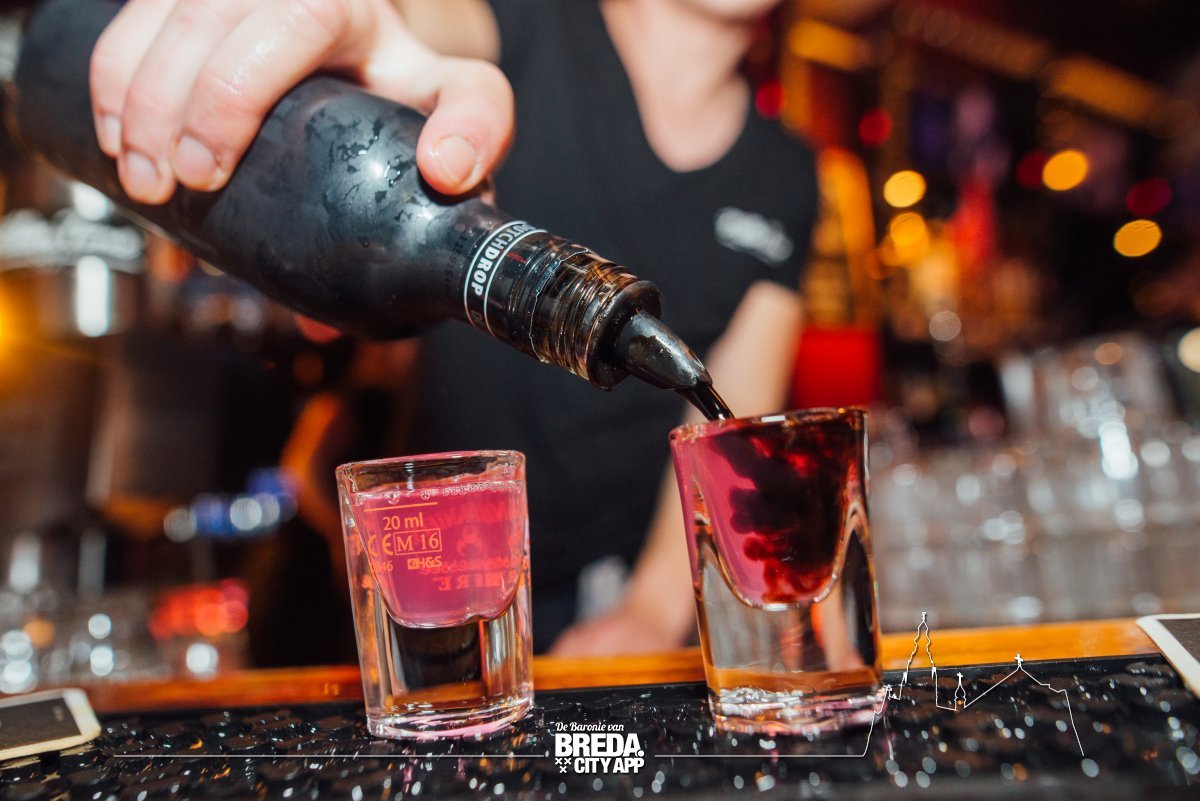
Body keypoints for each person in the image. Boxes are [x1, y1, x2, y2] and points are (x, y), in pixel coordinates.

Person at [89, 0, 817, 654]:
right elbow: (411, 24)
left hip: (606, 600)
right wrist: (356, 20)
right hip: (435, 582)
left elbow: (730, 421)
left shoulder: (786, 175)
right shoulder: (530, 22)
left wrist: (653, 611)